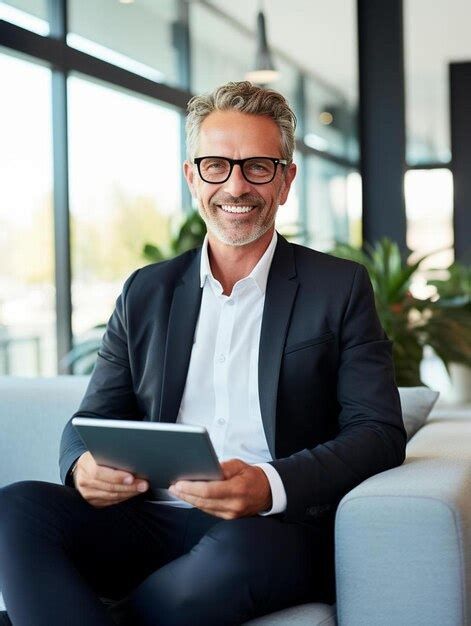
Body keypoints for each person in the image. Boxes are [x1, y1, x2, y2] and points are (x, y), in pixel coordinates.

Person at [0, 81, 406, 626]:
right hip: (144, 518)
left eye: (258, 166)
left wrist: (269, 484)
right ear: (192, 177)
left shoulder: (340, 287)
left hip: (267, 529)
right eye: (216, 164)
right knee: (15, 508)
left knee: (227, 563)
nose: (235, 185)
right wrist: (82, 465)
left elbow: (377, 432)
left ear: (286, 180)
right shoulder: (146, 290)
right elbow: (92, 416)